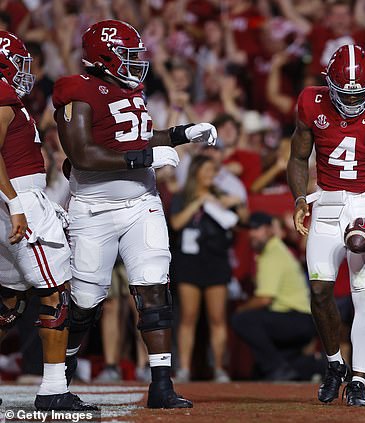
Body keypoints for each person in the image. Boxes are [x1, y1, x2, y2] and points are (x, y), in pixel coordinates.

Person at [51, 20, 217, 409]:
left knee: (154, 288)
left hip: (142, 203)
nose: (135, 63)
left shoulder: (129, 90)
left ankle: (161, 384)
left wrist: (182, 133)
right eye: (127, 55)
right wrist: (143, 157)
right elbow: (82, 154)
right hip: (94, 209)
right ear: (104, 57)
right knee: (86, 301)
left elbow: (138, 136)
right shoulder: (76, 91)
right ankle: (62, 373)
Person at [288, 44, 365, 406]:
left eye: (359, 94)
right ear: (329, 85)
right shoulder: (311, 101)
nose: (352, 101)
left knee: (364, 293)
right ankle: (335, 363)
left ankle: (359, 379)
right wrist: (298, 198)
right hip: (326, 202)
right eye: (345, 93)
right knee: (320, 293)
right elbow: (297, 156)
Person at [0, 30, 94, 411]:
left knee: (9, 302)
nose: (26, 71)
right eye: (19, 62)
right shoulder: (3, 95)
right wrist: (14, 202)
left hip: (15, 199)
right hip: (19, 199)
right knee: (57, 297)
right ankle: (53, 389)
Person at [170, 155, 243, 383]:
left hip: (216, 260)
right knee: (188, 317)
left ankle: (219, 368)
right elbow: (176, 223)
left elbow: (243, 220)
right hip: (189, 261)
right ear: (196, 173)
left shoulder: (221, 196)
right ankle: (184, 368)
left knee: (217, 317)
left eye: (214, 171)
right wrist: (198, 202)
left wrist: (234, 203)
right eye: (207, 170)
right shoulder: (183, 196)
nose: (211, 175)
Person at [231, 212, 315, 381]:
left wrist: (241, 309)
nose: (252, 234)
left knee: (242, 319)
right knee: (263, 372)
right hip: (301, 320)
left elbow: (264, 299)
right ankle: (318, 367)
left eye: (257, 229)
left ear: (270, 230)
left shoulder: (273, 253)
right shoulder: (274, 250)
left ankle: (277, 368)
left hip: (296, 319)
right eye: (250, 230)